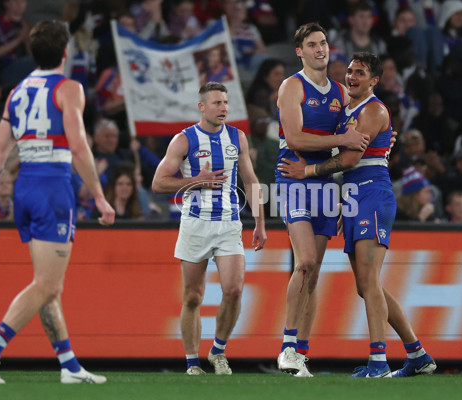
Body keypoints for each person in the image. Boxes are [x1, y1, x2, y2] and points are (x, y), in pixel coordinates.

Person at [0, 20, 115, 384]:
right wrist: (99, 196)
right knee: (48, 285)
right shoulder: (68, 89)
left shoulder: (17, 91)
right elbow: (79, 146)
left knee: (49, 283)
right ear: (66, 53)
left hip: (25, 187)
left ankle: (68, 366)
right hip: (53, 186)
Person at [278, 52, 436, 378]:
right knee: (366, 285)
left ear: (374, 80)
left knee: (369, 280)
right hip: (353, 196)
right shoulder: (348, 111)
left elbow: (350, 159)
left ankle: (378, 362)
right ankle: (417, 355)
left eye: (360, 73)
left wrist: (307, 170)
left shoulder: (374, 109)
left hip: (371, 194)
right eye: (350, 71)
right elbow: (343, 146)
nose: (352, 77)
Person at [273, 22, 370, 378]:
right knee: (306, 262)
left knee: (312, 275)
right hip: (292, 179)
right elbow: (296, 139)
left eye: (324, 43)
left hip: (326, 183)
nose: (320, 49)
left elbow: (357, 140)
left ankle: (301, 353)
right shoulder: (291, 86)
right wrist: (343, 140)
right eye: (312, 44)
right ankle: (286, 346)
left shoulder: (341, 93)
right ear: (299, 51)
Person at [151, 82, 267, 375]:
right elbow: (158, 183)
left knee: (233, 290)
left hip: (229, 223)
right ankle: (192, 362)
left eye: (226, 102)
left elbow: (251, 181)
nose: (224, 108)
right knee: (192, 296)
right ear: (201, 107)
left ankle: (218, 351)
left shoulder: (238, 138)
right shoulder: (184, 140)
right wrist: (195, 181)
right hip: (195, 224)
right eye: (217, 103)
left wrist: (260, 222)